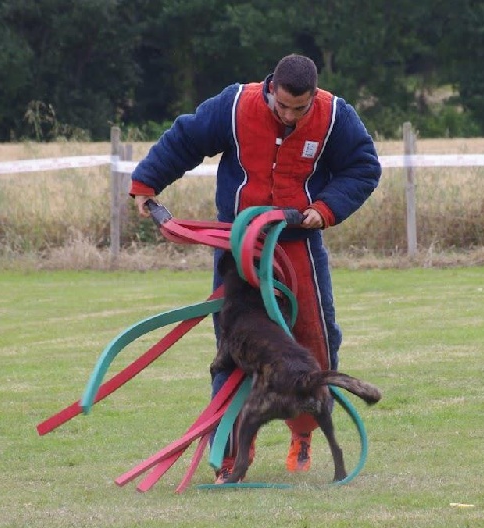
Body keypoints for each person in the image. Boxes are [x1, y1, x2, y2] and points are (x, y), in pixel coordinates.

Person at [130, 53, 381, 482]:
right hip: (238, 249)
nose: (288, 116)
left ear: (313, 97)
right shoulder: (234, 105)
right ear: (271, 89)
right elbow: (185, 138)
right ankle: (228, 454)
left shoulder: (336, 116)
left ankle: (302, 434)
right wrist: (146, 182)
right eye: (280, 106)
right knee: (235, 351)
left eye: (298, 110)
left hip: (297, 246)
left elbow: (363, 168)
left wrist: (325, 209)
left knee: (315, 347)